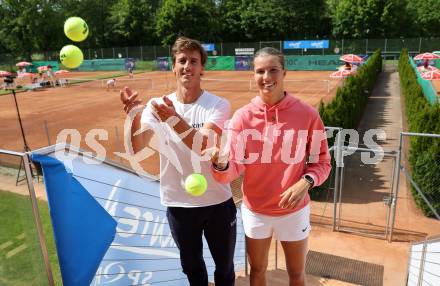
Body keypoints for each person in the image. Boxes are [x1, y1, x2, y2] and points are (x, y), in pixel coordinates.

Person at [120, 36, 236, 286]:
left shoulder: (218, 105)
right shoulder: (156, 105)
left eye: (194, 61)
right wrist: (133, 116)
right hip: (179, 204)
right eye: (181, 60)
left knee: (225, 269)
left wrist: (173, 119)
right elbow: (139, 146)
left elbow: (202, 144)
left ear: (202, 68)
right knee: (192, 268)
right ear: (173, 66)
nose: (187, 66)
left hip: (217, 202)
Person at [210, 47, 331, 286]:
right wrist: (221, 165)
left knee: (296, 274)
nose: (267, 77)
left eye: (273, 69)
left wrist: (305, 182)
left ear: (284, 72)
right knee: (257, 272)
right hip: (256, 211)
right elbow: (232, 168)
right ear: (254, 75)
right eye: (260, 71)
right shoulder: (242, 118)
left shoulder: (308, 115)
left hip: (294, 211)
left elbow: (323, 162)